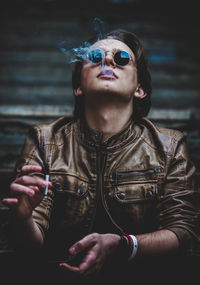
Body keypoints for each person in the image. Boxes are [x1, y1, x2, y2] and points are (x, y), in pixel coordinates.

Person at [3, 29, 200, 283]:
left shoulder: (170, 146)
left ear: (140, 89)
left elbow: (183, 232)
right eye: (94, 56)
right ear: (78, 87)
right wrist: (24, 217)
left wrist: (123, 245)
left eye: (121, 58)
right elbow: (31, 240)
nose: (107, 61)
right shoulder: (45, 140)